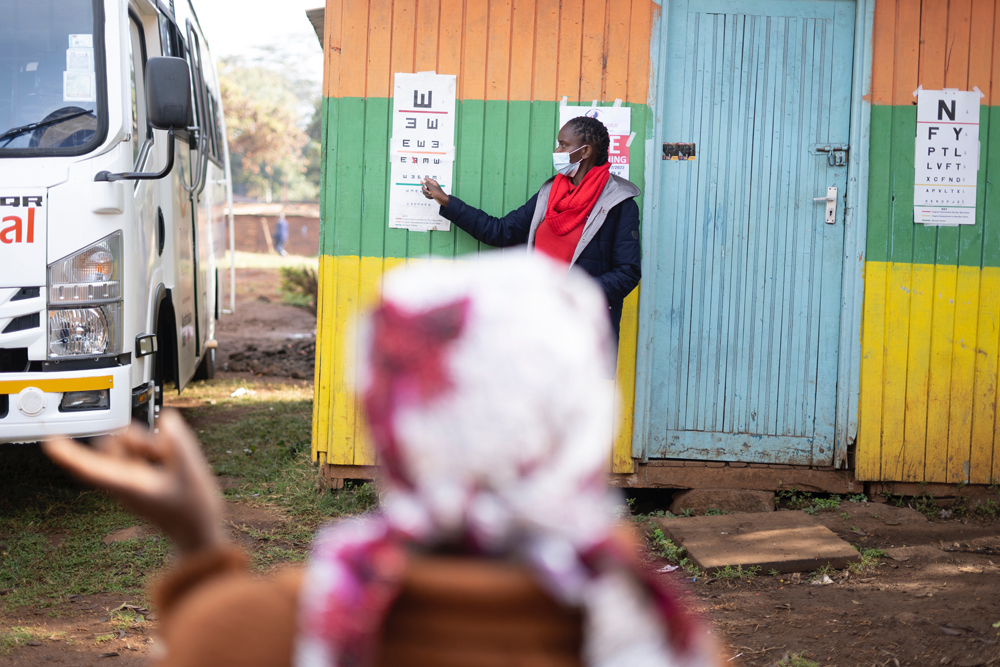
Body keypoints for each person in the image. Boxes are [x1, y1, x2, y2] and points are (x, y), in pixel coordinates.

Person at [43, 255, 717, 667]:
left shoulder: (260, 632)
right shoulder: (660, 636)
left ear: (386, 414)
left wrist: (198, 548)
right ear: (581, 412)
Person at [421, 116, 641, 345]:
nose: (557, 150)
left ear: (585, 152)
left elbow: (627, 272)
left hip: (580, 332)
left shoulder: (619, 204)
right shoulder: (550, 194)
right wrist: (447, 202)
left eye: (564, 145)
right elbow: (501, 231)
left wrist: (573, 293)